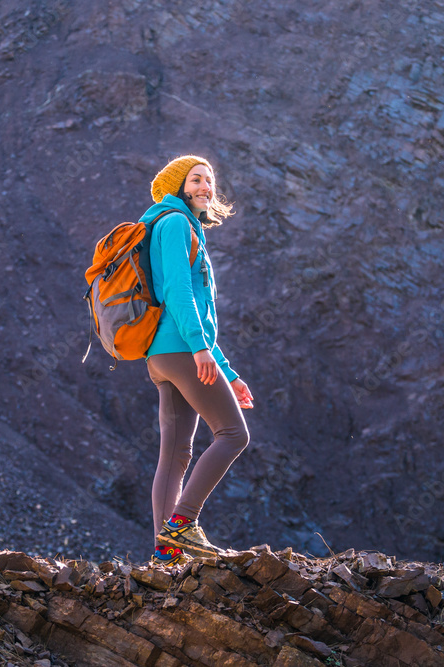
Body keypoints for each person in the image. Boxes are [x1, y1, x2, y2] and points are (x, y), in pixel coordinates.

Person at [143, 155, 255, 566]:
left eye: (209, 180)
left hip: (166, 354)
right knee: (232, 434)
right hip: (181, 349)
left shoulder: (181, 225)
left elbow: (201, 314)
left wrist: (229, 373)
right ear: (179, 186)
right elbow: (177, 292)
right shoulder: (174, 223)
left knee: (175, 455)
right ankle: (182, 525)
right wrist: (199, 348)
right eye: (196, 180)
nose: (207, 186)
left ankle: (166, 552)